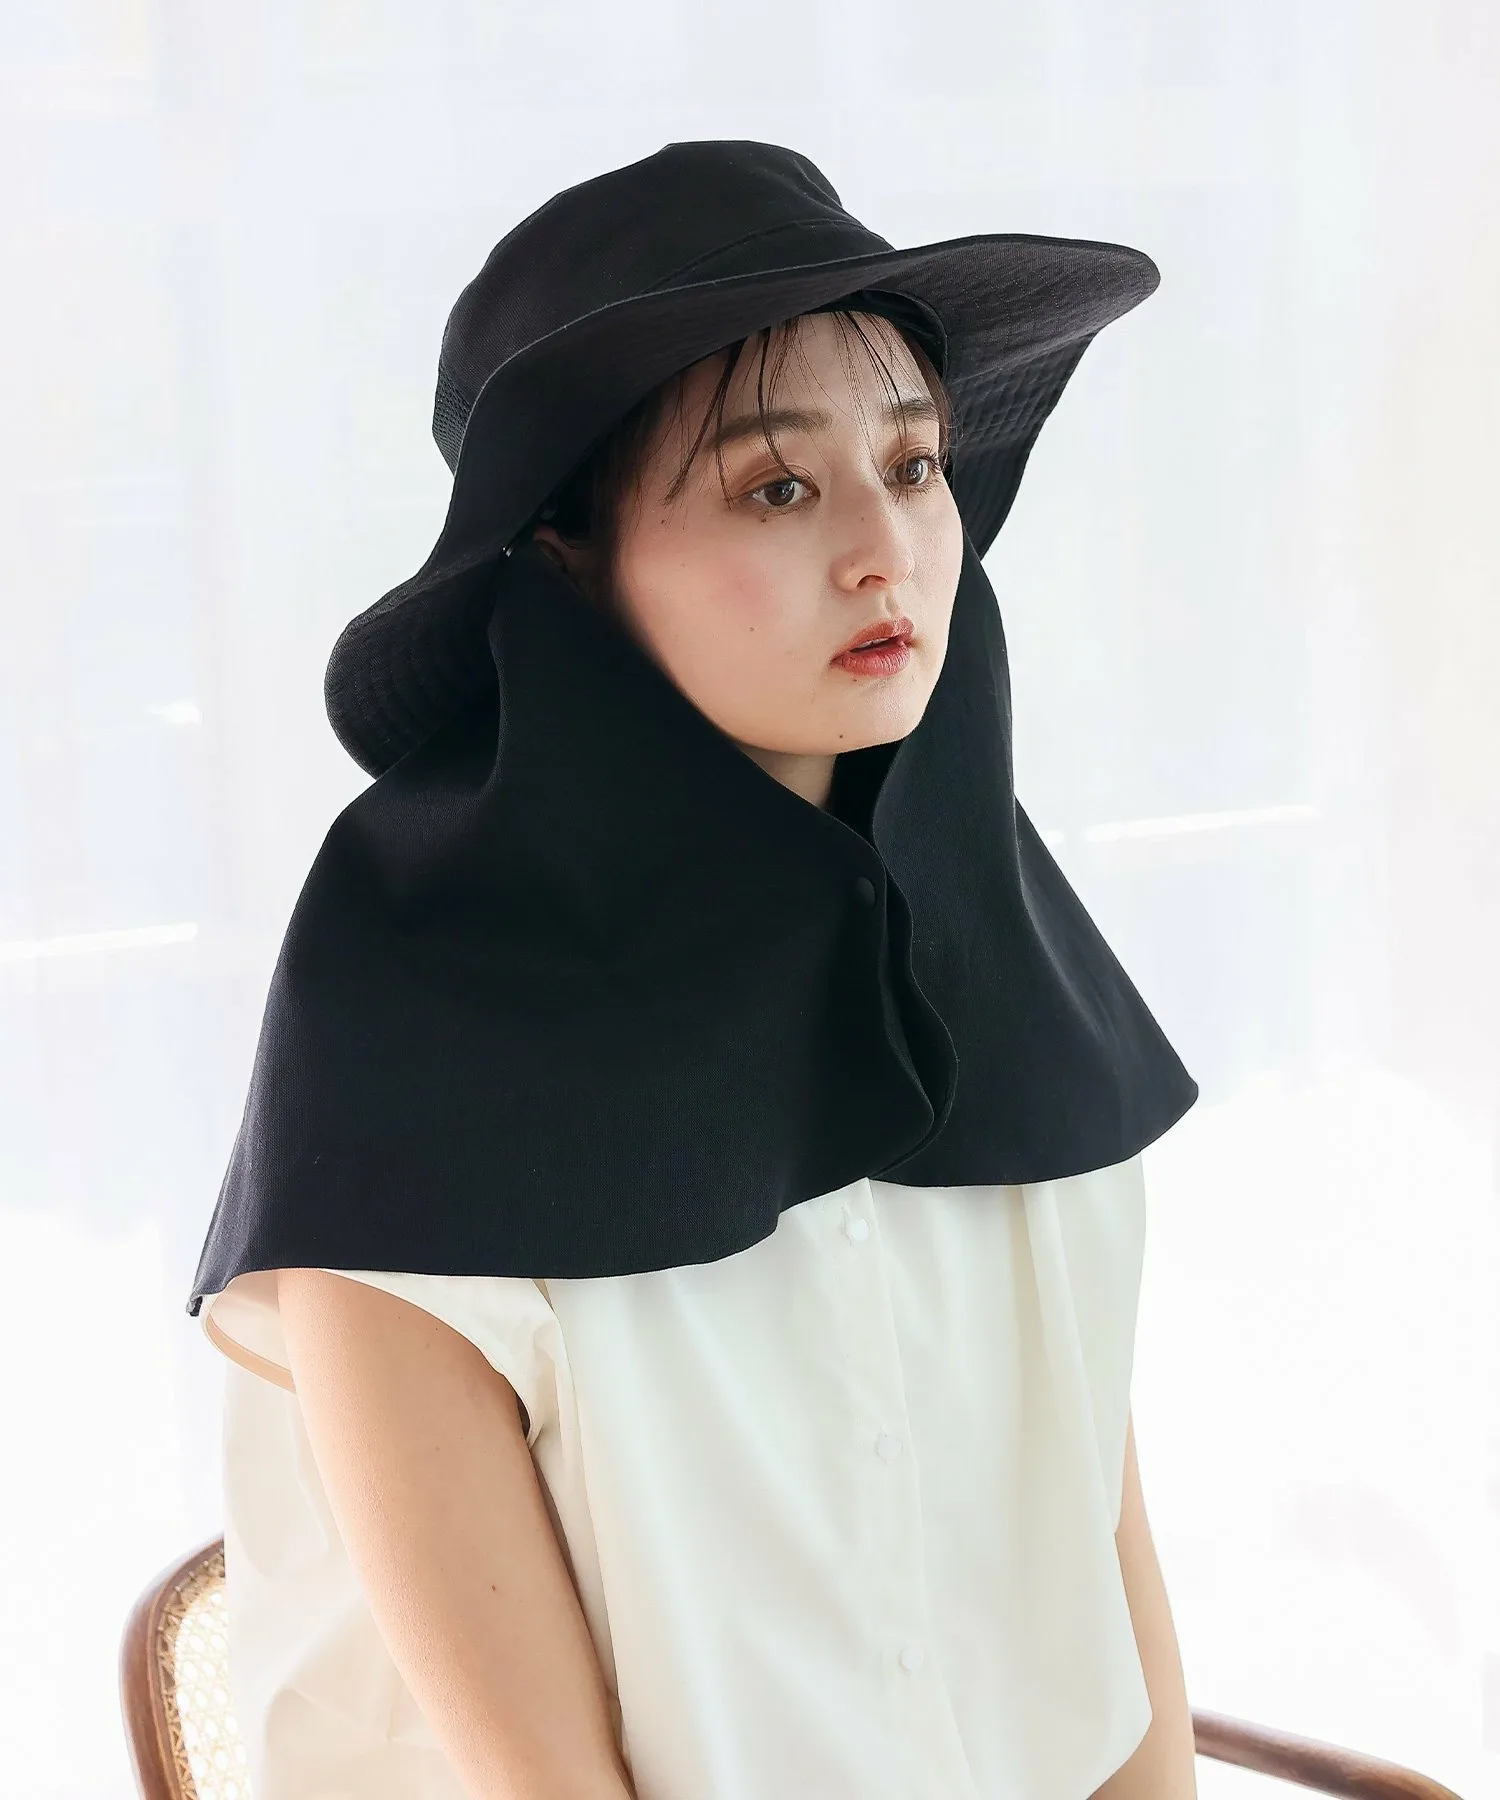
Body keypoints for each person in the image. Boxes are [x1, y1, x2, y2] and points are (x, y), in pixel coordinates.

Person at [190, 140, 1200, 1799]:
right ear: (565, 557)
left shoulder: (995, 940)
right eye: (777, 489)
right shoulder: (412, 1028)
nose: (888, 551)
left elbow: (1099, 1572)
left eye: (917, 463)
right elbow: (540, 1779)